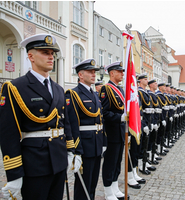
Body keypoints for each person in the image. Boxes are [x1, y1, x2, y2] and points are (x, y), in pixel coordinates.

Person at [0, 33, 77, 199]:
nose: (51, 57)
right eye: (45, 53)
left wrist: (71, 151)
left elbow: (66, 123)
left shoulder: (58, 88)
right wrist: (14, 174)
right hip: (34, 162)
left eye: (52, 54)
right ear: (31, 56)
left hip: (58, 159)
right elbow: (8, 133)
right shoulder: (15, 87)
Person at [65, 59, 106, 200]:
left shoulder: (95, 94)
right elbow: (72, 124)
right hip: (84, 145)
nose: (93, 75)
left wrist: (104, 142)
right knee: (83, 184)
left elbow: (101, 119)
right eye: (90, 72)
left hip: (96, 144)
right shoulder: (73, 94)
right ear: (80, 75)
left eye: (94, 72)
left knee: (93, 182)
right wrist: (76, 151)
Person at [100, 61, 129, 200]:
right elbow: (104, 113)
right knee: (110, 162)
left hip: (120, 132)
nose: (122, 74)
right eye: (120, 71)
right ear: (112, 73)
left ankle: (114, 186)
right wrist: (120, 118)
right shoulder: (106, 89)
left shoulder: (120, 89)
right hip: (111, 133)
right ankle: (107, 190)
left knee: (117, 162)